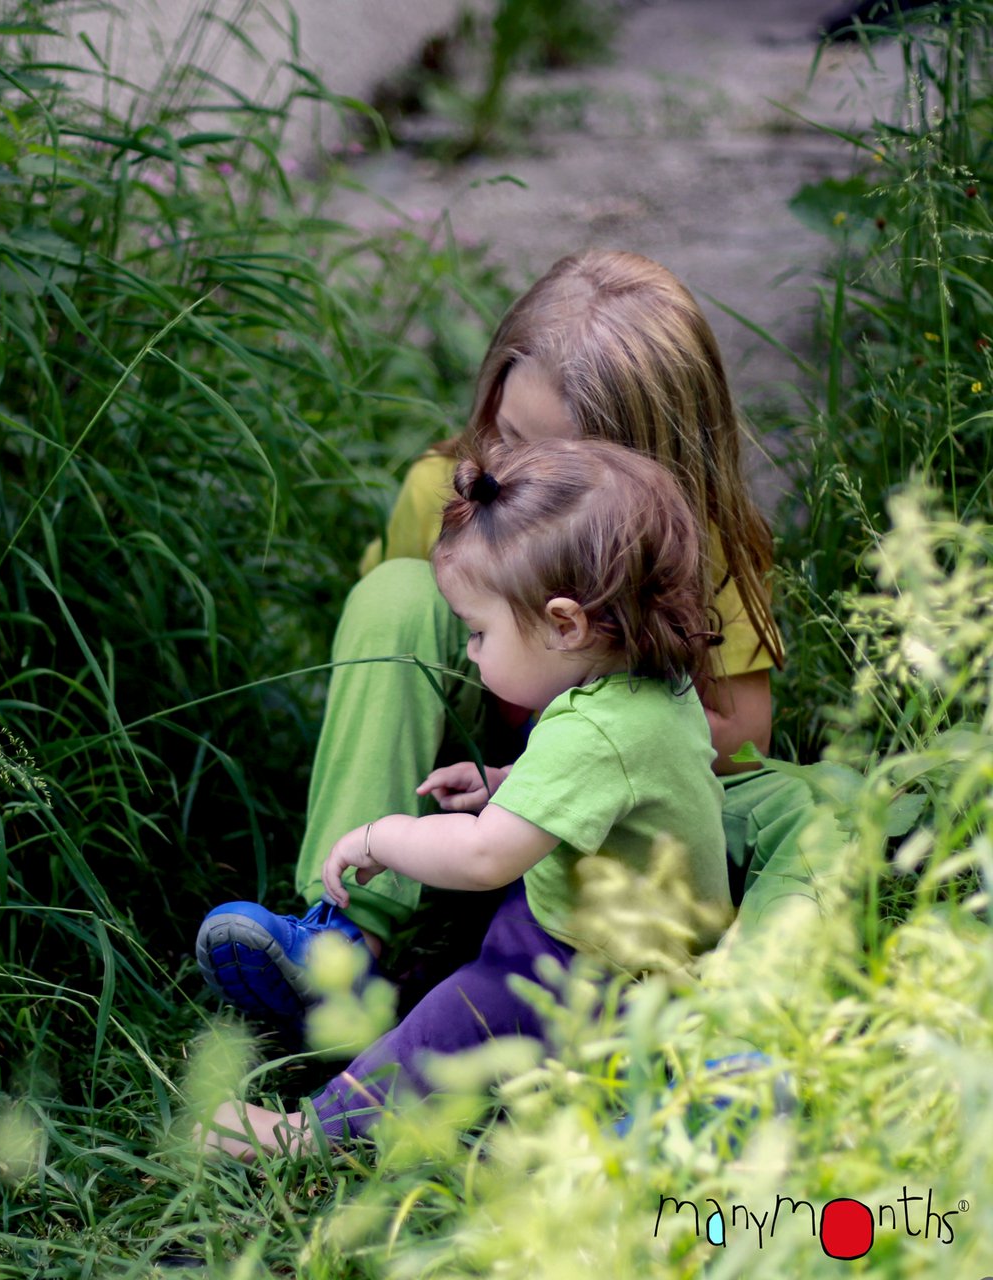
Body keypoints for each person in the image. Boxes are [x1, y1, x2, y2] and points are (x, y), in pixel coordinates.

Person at [197, 250, 817, 1027]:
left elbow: (742, 736)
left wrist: (556, 775)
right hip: (471, 792)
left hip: (630, 816)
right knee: (393, 592)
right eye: (506, 432)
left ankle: (747, 994)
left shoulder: (694, 539)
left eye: (558, 459)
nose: (510, 471)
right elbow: (398, 649)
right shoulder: (452, 489)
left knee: (803, 801)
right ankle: (345, 942)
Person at [202, 437, 734, 1156]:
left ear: (566, 622)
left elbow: (486, 858)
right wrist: (506, 785)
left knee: (457, 1022)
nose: (473, 652)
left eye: (479, 632)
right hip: (646, 948)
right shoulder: (650, 687)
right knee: (469, 974)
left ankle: (307, 1135)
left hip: (596, 973)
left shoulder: (594, 729)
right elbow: (614, 791)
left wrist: (380, 837)